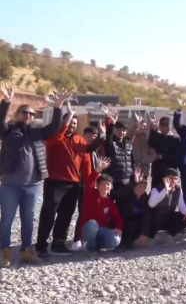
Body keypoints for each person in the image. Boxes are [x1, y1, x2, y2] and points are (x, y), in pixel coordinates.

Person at [1, 84, 69, 267]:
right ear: (17, 115)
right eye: (25, 113)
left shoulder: (37, 132)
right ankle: (5, 251)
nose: (29, 116)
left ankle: (26, 251)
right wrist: (6, 103)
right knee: (6, 220)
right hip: (10, 185)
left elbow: (55, 126)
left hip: (33, 185)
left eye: (31, 114)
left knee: (28, 220)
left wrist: (58, 106)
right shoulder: (7, 131)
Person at [37, 108, 100, 256]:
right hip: (54, 182)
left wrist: (89, 183)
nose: (72, 125)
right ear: (64, 123)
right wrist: (68, 117)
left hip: (73, 184)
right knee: (48, 213)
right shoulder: (56, 137)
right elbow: (57, 136)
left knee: (66, 214)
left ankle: (58, 243)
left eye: (75, 123)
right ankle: (41, 244)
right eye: (70, 122)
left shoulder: (80, 140)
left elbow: (86, 164)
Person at [79, 157, 123, 252]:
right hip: (88, 229)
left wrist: (118, 228)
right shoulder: (90, 194)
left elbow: (117, 219)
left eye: (108, 184)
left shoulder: (110, 202)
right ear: (97, 186)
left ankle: (97, 244)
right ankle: (91, 246)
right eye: (103, 184)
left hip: (101, 230)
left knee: (116, 240)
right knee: (92, 224)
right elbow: (89, 182)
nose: (106, 186)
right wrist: (98, 170)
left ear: (111, 187)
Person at [144, 168, 186, 245]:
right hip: (157, 219)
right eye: (170, 178)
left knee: (182, 216)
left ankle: (170, 235)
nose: (173, 181)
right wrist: (165, 190)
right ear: (164, 179)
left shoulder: (178, 190)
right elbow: (151, 204)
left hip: (169, 218)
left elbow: (181, 206)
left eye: (175, 179)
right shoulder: (156, 189)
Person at [113, 168, 149, 249]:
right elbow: (118, 194)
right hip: (125, 226)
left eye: (144, 185)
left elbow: (147, 216)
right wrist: (134, 182)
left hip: (138, 226)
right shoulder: (126, 195)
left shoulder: (144, 197)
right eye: (140, 184)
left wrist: (144, 233)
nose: (142, 187)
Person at [102, 114, 136, 198]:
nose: (121, 132)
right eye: (119, 130)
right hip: (114, 181)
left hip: (127, 182)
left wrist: (133, 177)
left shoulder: (129, 144)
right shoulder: (111, 144)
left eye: (124, 130)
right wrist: (112, 124)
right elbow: (109, 138)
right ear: (115, 130)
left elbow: (132, 162)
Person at [147, 115, 181, 190]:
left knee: (169, 191)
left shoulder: (176, 140)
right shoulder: (158, 136)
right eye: (162, 126)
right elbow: (150, 142)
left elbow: (177, 157)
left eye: (166, 126)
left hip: (170, 171)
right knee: (155, 190)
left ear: (170, 126)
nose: (164, 128)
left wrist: (163, 156)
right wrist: (153, 129)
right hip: (157, 170)